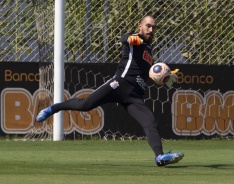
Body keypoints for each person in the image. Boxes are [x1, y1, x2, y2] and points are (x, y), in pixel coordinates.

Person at [36, 15, 184, 166]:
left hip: (134, 96)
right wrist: (133, 38)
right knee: (85, 105)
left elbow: (147, 74)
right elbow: (124, 38)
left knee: (150, 122)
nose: (151, 29)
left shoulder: (150, 50)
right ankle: (53, 108)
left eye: (153, 27)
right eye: (148, 26)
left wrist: (163, 78)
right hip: (118, 85)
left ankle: (160, 157)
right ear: (140, 26)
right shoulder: (135, 39)